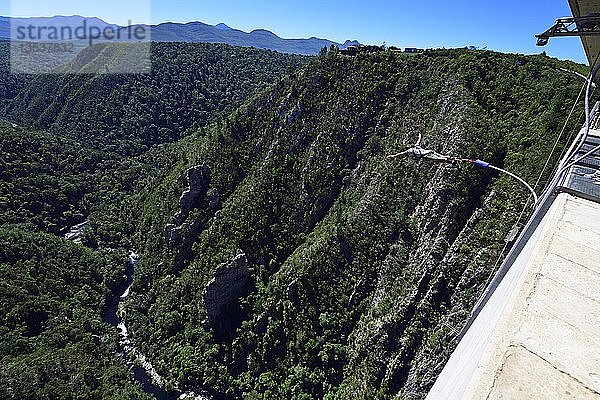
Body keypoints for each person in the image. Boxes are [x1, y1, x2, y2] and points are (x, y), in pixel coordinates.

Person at [387, 144, 458, 164]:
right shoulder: (416, 146)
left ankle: (451, 161)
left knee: (438, 159)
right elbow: (419, 140)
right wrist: (420, 135)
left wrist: (392, 156)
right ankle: (451, 158)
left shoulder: (408, 151)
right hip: (429, 151)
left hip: (426, 155)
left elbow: (400, 154)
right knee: (440, 156)